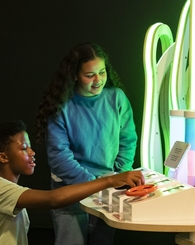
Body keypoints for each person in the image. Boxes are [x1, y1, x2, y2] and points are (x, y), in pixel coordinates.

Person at [0, 120, 143, 245]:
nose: (32, 152)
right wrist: (110, 180)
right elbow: (52, 199)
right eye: (24, 148)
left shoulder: (10, 190)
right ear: (3, 157)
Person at [35, 42, 138, 245]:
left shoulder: (117, 98)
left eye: (102, 72)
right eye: (90, 75)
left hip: (109, 188)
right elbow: (59, 156)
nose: (98, 80)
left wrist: (118, 174)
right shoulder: (62, 105)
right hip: (69, 188)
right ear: (74, 75)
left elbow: (128, 141)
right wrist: (94, 184)